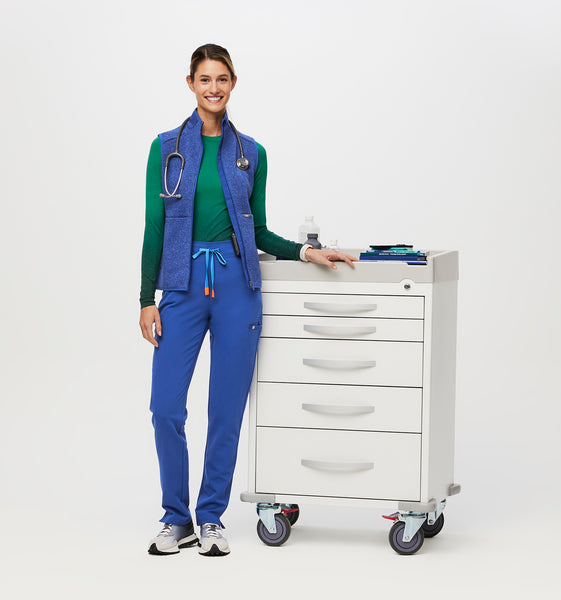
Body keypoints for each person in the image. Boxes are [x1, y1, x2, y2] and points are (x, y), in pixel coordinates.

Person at [139, 43, 358, 557]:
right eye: (204, 79)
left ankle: (210, 516)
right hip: (182, 286)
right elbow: (154, 224)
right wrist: (147, 297)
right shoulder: (165, 148)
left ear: (233, 83)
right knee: (165, 408)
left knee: (226, 410)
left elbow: (257, 229)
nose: (213, 88)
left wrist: (306, 251)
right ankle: (176, 517)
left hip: (237, 287)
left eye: (222, 79)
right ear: (191, 84)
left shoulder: (250, 153)